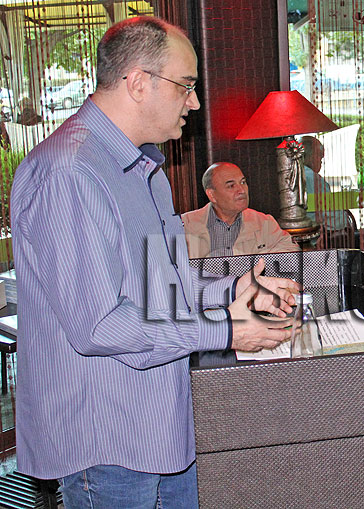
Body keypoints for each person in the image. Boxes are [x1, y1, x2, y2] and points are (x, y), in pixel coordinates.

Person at [10, 16, 301, 506]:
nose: (195, 102)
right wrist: (228, 331)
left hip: (162, 424)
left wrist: (235, 290)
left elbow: (160, 286)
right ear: (138, 82)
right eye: (186, 85)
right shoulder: (69, 172)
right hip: (108, 441)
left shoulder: (146, 170)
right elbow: (101, 326)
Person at [182, 161, 297, 257]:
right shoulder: (184, 225)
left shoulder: (264, 222)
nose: (242, 190)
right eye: (231, 186)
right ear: (211, 195)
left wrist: (261, 264)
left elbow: (292, 253)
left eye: (243, 182)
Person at [301, 135, 347, 230]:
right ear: (311, 156)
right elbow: (333, 217)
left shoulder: (293, 175)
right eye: (320, 157)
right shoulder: (313, 179)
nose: (321, 163)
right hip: (319, 233)